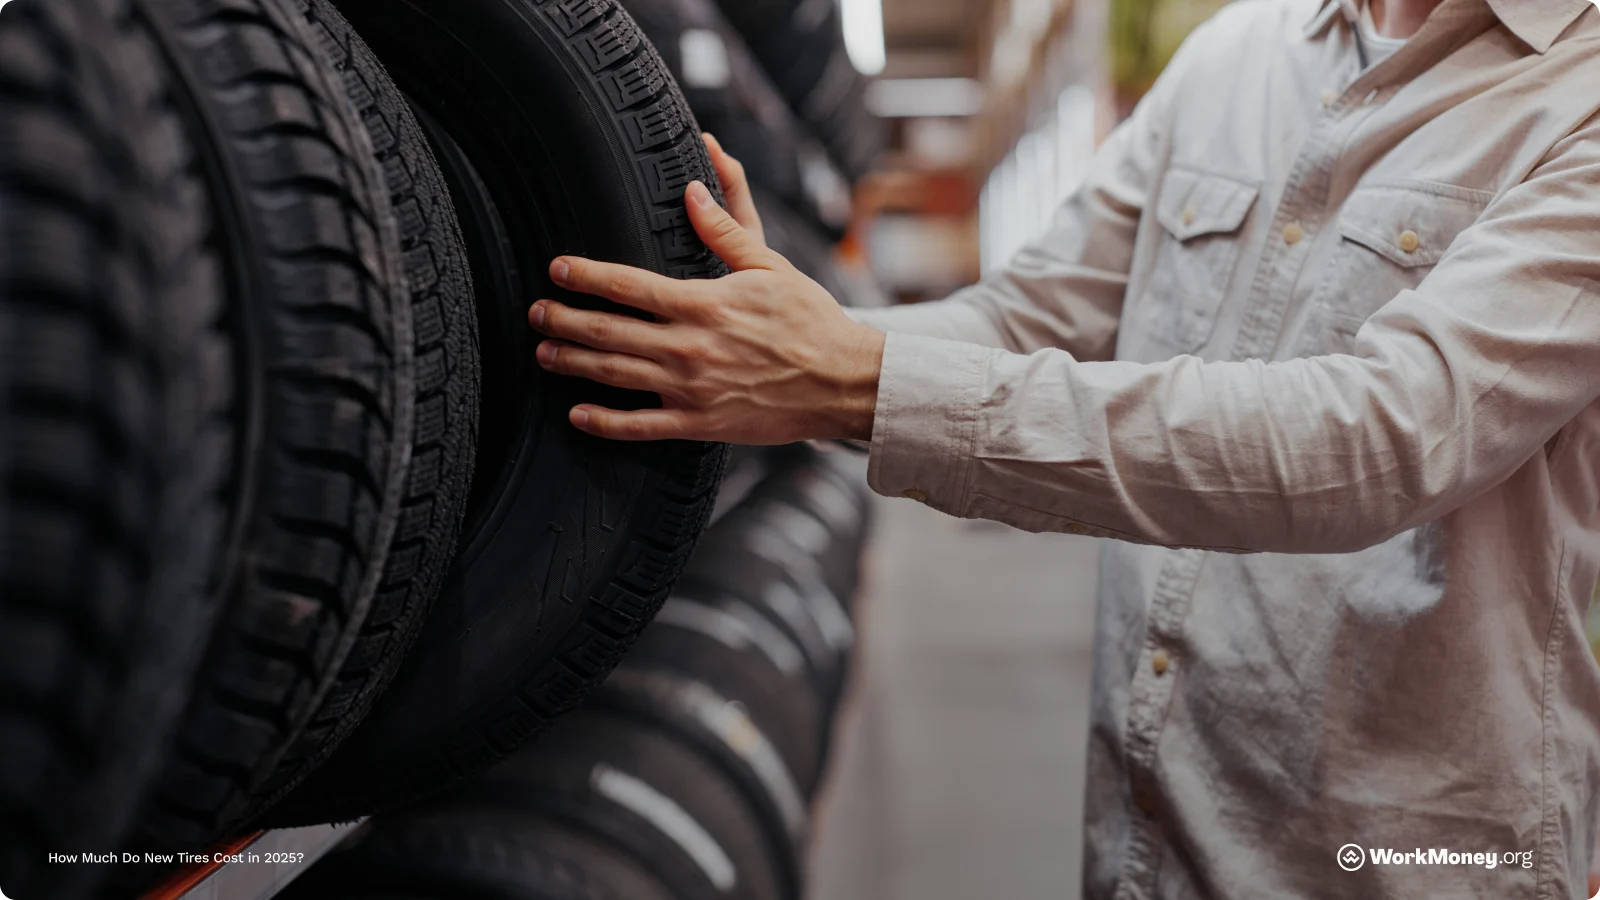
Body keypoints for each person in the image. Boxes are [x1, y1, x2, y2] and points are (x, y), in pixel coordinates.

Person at [525, 0, 1600, 895]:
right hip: (1152, 834)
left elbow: (1378, 437)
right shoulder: (1235, 57)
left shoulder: (1579, 102)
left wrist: (854, 378)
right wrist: (783, 338)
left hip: (1404, 858)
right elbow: (1028, 312)